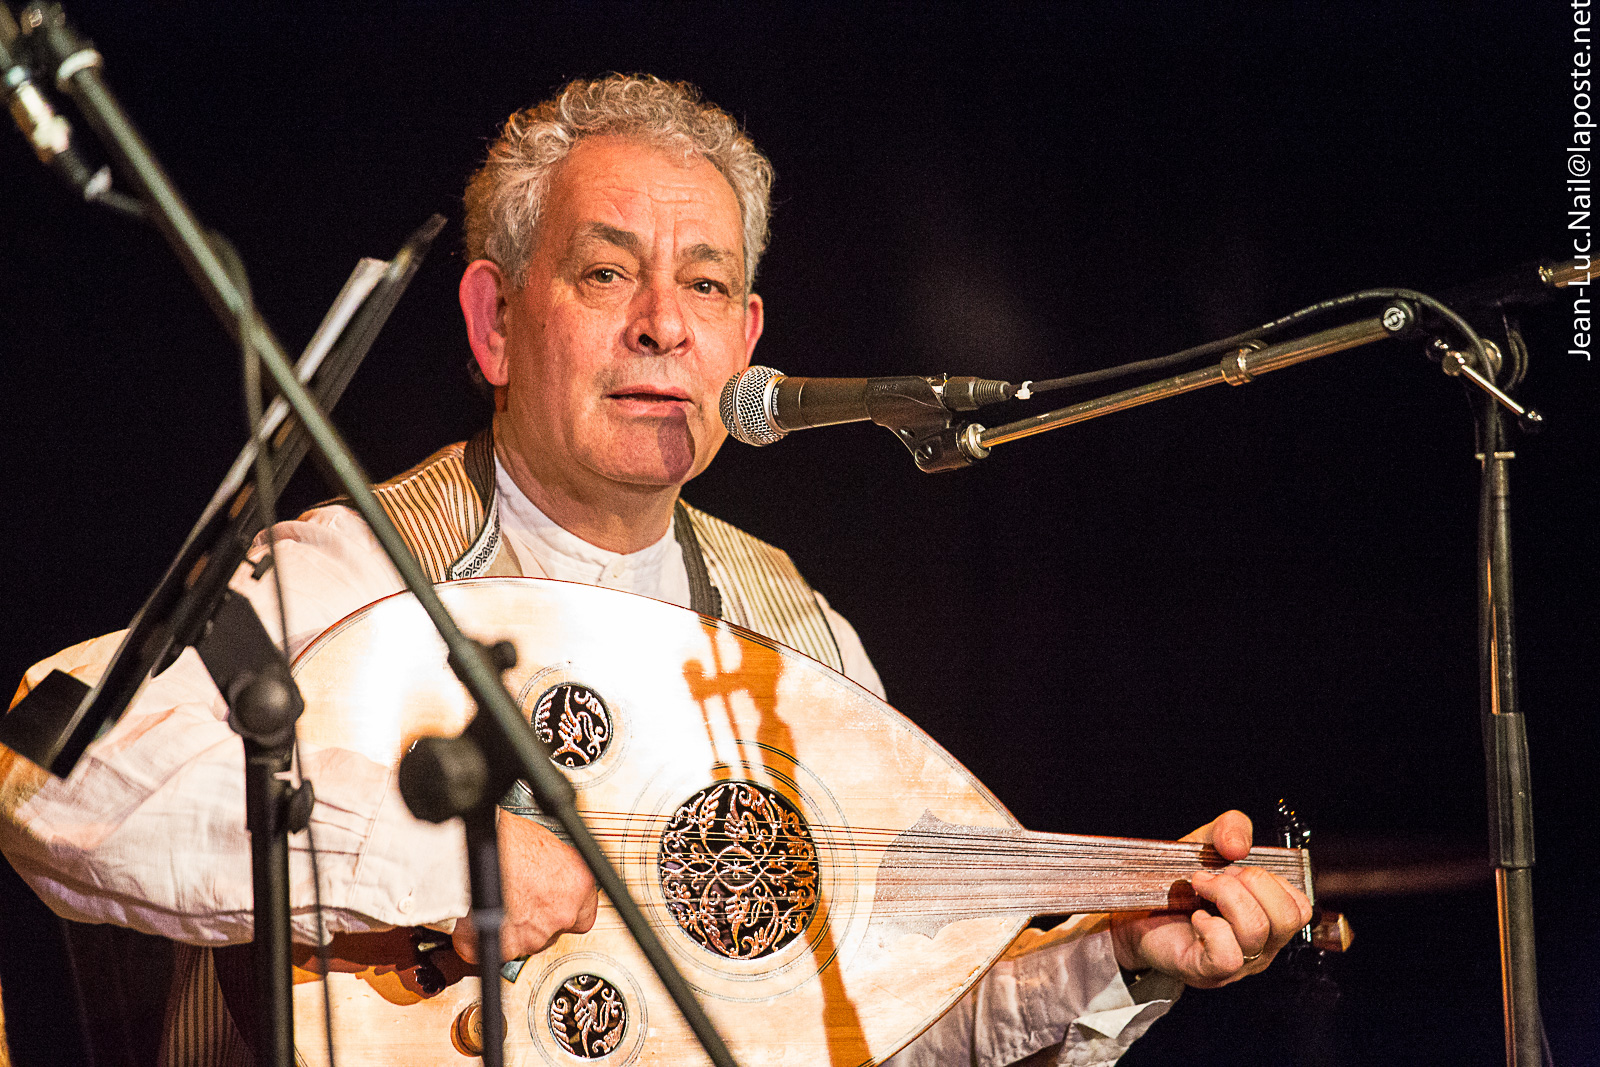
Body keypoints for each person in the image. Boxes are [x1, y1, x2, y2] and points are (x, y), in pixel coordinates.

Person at [0, 75, 1310, 1066]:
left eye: (706, 286)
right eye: (604, 273)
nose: (663, 325)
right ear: (494, 322)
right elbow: (47, 771)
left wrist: (1113, 958)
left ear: (745, 341)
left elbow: (866, 1032)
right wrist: (444, 855)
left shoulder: (800, 641)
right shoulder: (349, 574)